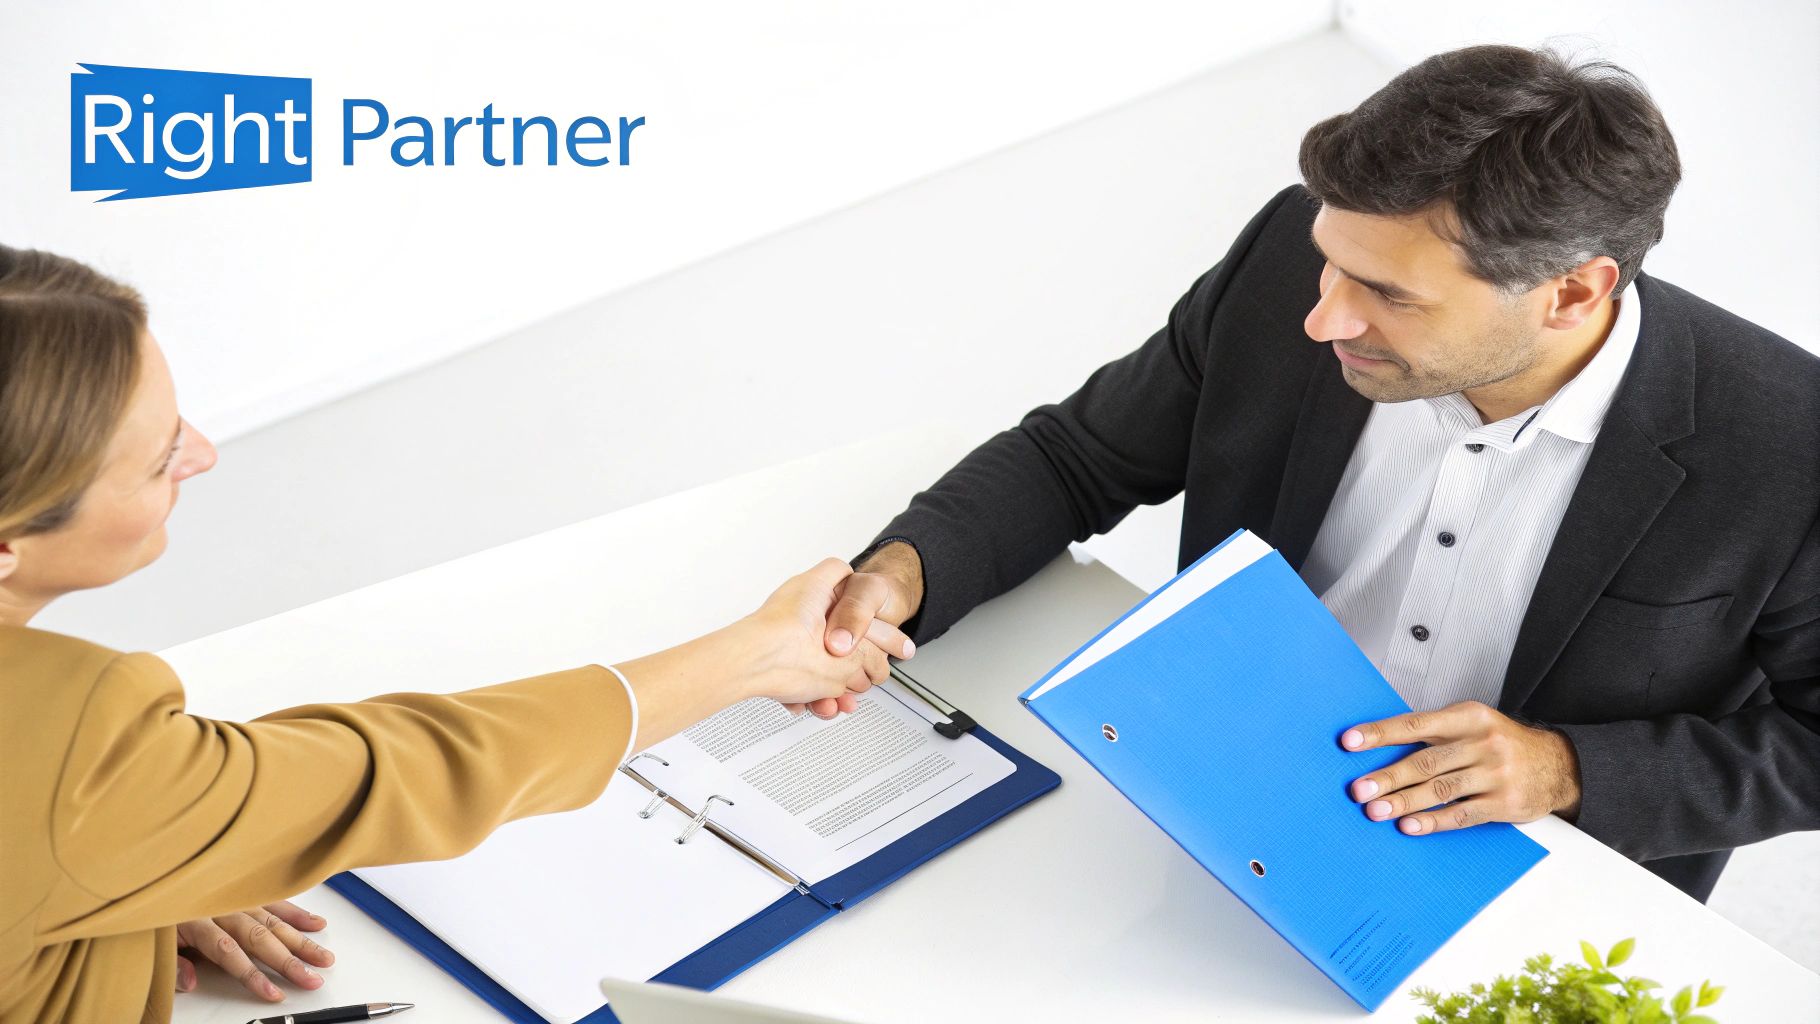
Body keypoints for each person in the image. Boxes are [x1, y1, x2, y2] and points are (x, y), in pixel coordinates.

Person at [818, 42, 1820, 904]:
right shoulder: (1280, 267)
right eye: (1327, 261)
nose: (1322, 318)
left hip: (1535, 870)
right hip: (1213, 778)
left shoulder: (1785, 445)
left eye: (1385, 294)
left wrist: (1562, 768)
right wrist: (902, 575)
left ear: (1569, 293)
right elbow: (1076, 457)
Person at [0, 246, 912, 1022]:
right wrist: (757, 653)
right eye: (161, 456)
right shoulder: (69, 739)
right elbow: (409, 768)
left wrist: (127, 873)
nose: (201, 452)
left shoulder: (72, 785)